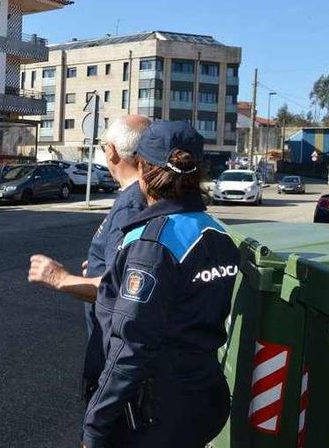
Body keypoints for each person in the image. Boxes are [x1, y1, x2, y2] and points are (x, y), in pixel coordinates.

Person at [80, 121, 238, 448]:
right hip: (204, 395)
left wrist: (95, 424)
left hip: (157, 413)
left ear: (144, 170)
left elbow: (131, 347)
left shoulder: (152, 242)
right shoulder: (217, 234)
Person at [28, 115, 150, 401]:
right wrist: (99, 265)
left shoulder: (130, 204)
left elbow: (121, 287)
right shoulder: (139, 197)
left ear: (112, 151)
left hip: (113, 348)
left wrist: (59, 278)